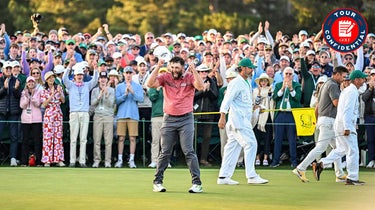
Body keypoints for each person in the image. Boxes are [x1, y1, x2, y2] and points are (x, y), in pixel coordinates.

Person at [147, 56, 204, 193]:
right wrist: (158, 66)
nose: (174, 70)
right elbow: (150, 84)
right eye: (172, 67)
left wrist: (194, 70)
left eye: (177, 67)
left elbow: (201, 86)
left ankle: (197, 183)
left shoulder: (189, 76)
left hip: (186, 119)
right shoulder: (165, 76)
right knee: (165, 152)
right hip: (169, 119)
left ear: (183, 67)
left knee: (188, 151)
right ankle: (157, 182)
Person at [217, 58, 269, 185]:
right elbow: (227, 100)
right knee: (251, 143)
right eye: (250, 68)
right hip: (238, 120)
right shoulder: (235, 83)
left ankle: (223, 177)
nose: (252, 70)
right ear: (243, 68)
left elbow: (243, 102)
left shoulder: (247, 82)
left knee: (232, 148)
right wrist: (222, 116)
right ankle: (251, 176)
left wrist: (254, 108)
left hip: (242, 119)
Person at [292, 66, 348, 183]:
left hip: (325, 120)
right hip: (329, 121)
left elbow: (318, 105)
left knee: (337, 148)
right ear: (337, 74)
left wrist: (317, 120)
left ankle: (339, 174)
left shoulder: (326, 84)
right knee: (321, 148)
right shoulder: (333, 85)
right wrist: (344, 93)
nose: (344, 79)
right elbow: (337, 103)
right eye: (343, 76)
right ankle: (300, 168)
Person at [313, 70, 367, 185]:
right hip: (345, 124)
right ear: (356, 80)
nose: (364, 80)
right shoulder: (352, 92)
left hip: (340, 123)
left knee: (341, 149)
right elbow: (347, 110)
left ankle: (321, 163)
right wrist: (347, 127)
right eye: (362, 78)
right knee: (352, 151)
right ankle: (352, 177)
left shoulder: (348, 90)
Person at [63, 61, 98, 167]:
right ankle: (72, 161)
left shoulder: (87, 85)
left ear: (83, 76)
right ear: (74, 75)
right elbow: (64, 78)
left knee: (83, 138)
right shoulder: (71, 85)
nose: (79, 76)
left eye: (81, 75)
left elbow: (95, 80)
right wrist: (69, 67)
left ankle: (82, 161)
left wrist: (95, 69)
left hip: (84, 113)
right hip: (74, 113)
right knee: (73, 138)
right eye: (78, 75)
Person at [271, 67, 302, 168]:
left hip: (291, 115)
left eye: (290, 74)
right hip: (280, 114)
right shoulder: (278, 85)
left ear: (293, 76)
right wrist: (282, 89)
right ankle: (276, 160)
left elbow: (298, 98)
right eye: (286, 74)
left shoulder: (297, 85)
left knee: (292, 140)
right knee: (278, 139)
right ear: (283, 75)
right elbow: (275, 97)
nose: (288, 76)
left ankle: (294, 161)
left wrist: (291, 88)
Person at [114, 66, 144, 168]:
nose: (128, 75)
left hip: (133, 115)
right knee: (121, 138)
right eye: (126, 73)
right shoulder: (119, 87)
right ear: (123, 74)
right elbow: (117, 101)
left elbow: (141, 99)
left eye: (130, 73)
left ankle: (131, 160)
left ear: (132, 74)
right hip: (121, 115)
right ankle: (120, 159)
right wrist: (125, 94)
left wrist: (132, 92)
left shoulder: (137, 86)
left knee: (132, 138)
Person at [193, 63, 219, 167]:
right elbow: (191, 97)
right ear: (198, 72)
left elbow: (215, 96)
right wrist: (202, 91)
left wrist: (207, 91)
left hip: (209, 113)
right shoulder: (193, 81)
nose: (204, 73)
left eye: (206, 71)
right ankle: (192, 159)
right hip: (196, 113)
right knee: (192, 137)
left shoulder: (212, 81)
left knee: (207, 137)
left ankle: (203, 159)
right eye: (202, 71)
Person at [41, 71, 66, 167]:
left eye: (52, 77)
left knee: (58, 136)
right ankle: (47, 160)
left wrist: (60, 93)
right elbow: (43, 104)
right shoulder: (44, 90)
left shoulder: (58, 88)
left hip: (58, 113)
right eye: (49, 78)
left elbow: (63, 101)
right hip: (48, 114)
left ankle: (58, 159)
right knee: (48, 137)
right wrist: (51, 95)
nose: (51, 79)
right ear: (46, 80)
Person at [91, 71, 115, 168]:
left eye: (105, 78)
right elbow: (92, 103)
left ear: (107, 80)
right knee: (97, 139)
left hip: (108, 116)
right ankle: (97, 160)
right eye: (101, 78)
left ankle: (107, 161)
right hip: (98, 116)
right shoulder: (94, 90)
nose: (103, 80)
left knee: (108, 140)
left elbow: (111, 104)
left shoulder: (112, 90)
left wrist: (106, 94)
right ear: (99, 80)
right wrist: (99, 96)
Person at [0, 61, 21, 166]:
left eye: (10, 69)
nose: (8, 70)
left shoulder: (17, 80)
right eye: (6, 69)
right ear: (3, 70)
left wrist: (15, 89)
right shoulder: (0, 80)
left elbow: (18, 96)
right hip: (1, 112)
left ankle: (13, 157)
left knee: (14, 136)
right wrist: (4, 88)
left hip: (13, 112)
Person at [147, 66, 168, 168]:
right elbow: (152, 98)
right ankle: (154, 160)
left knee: (166, 141)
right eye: (161, 73)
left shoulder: (169, 85)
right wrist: (158, 89)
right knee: (156, 139)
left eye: (164, 73)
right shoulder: (153, 86)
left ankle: (165, 161)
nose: (162, 75)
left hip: (168, 116)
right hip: (156, 116)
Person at [19, 76, 43, 166]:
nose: (31, 83)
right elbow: (22, 105)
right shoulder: (23, 92)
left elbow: (38, 104)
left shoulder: (39, 91)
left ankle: (39, 162)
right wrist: (27, 98)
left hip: (36, 119)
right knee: (25, 141)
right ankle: (24, 162)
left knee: (37, 141)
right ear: (27, 83)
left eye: (32, 82)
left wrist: (32, 97)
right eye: (29, 82)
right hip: (25, 119)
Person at [253, 73, 274, 166]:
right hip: (257, 117)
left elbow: (271, 101)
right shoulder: (255, 91)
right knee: (256, 138)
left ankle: (265, 157)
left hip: (267, 117)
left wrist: (267, 94)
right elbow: (255, 103)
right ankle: (257, 157)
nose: (264, 82)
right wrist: (259, 94)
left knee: (267, 138)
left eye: (265, 80)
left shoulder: (271, 90)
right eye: (262, 81)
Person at [362, 69, 375, 168]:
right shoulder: (366, 87)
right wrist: (370, 89)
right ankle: (371, 159)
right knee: (370, 139)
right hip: (369, 116)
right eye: (373, 75)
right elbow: (364, 98)